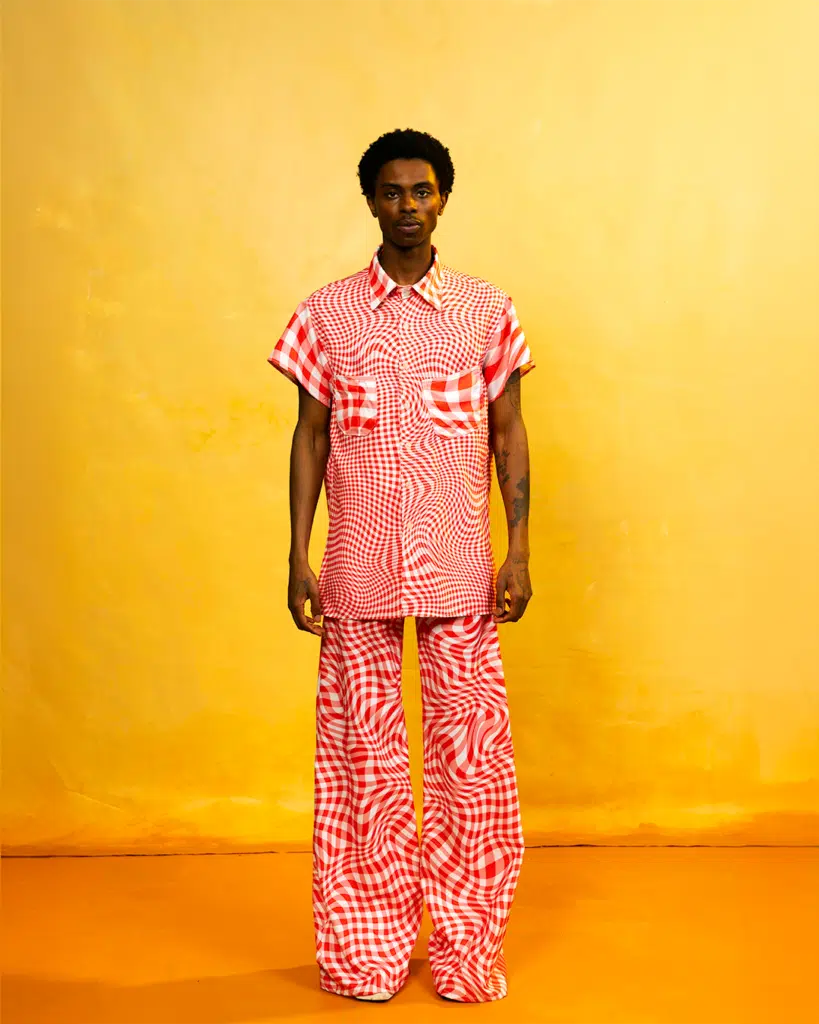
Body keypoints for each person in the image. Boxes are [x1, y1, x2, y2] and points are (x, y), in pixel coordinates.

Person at [267, 128, 535, 1004]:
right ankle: (366, 953)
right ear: (370, 201)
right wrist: (297, 553)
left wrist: (519, 547)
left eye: (422, 191)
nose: (407, 206)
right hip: (356, 565)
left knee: (470, 762)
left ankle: (466, 949)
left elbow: (507, 433)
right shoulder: (326, 313)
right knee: (360, 763)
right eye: (391, 192)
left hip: (461, 562)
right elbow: (309, 437)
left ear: (444, 199)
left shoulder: (485, 310)